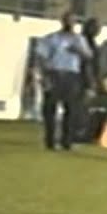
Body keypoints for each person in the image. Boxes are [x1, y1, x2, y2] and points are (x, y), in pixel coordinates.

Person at [35, 12, 91, 151]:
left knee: (71, 110)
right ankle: (50, 140)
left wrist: (78, 51)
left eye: (72, 21)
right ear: (62, 21)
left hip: (72, 75)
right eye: (67, 21)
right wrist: (43, 75)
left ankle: (67, 141)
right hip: (55, 73)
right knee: (50, 109)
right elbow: (41, 56)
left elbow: (88, 56)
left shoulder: (79, 39)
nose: (69, 24)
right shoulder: (52, 38)